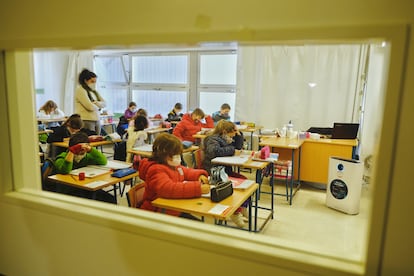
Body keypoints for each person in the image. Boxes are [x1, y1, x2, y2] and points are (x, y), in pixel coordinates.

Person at [138, 133, 210, 220]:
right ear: (163, 154)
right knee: (196, 228)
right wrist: (198, 188)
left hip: (172, 209)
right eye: (175, 154)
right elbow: (168, 188)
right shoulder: (156, 170)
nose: (178, 157)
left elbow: (185, 171)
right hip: (158, 214)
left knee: (197, 225)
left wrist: (199, 175)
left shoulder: (172, 165)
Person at [203, 120, 248, 227]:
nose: (233, 136)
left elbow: (238, 147)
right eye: (232, 132)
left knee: (245, 181)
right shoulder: (212, 139)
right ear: (224, 132)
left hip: (224, 170)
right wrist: (232, 151)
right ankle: (236, 213)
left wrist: (239, 134)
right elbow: (214, 151)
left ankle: (241, 208)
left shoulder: (225, 139)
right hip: (215, 172)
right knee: (237, 184)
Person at [53, 132, 115, 203]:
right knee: (88, 201)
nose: (81, 152)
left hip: (87, 187)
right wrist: (72, 152)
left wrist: (91, 150)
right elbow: (65, 170)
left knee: (110, 199)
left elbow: (103, 161)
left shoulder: (87, 157)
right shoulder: (62, 157)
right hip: (70, 190)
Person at [75, 69, 106, 135]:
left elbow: (105, 103)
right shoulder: (80, 90)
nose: (94, 83)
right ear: (85, 81)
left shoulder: (94, 91)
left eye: (95, 81)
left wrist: (96, 103)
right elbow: (90, 107)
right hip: (87, 120)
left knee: (97, 140)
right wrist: (99, 106)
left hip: (97, 119)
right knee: (89, 141)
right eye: (92, 81)